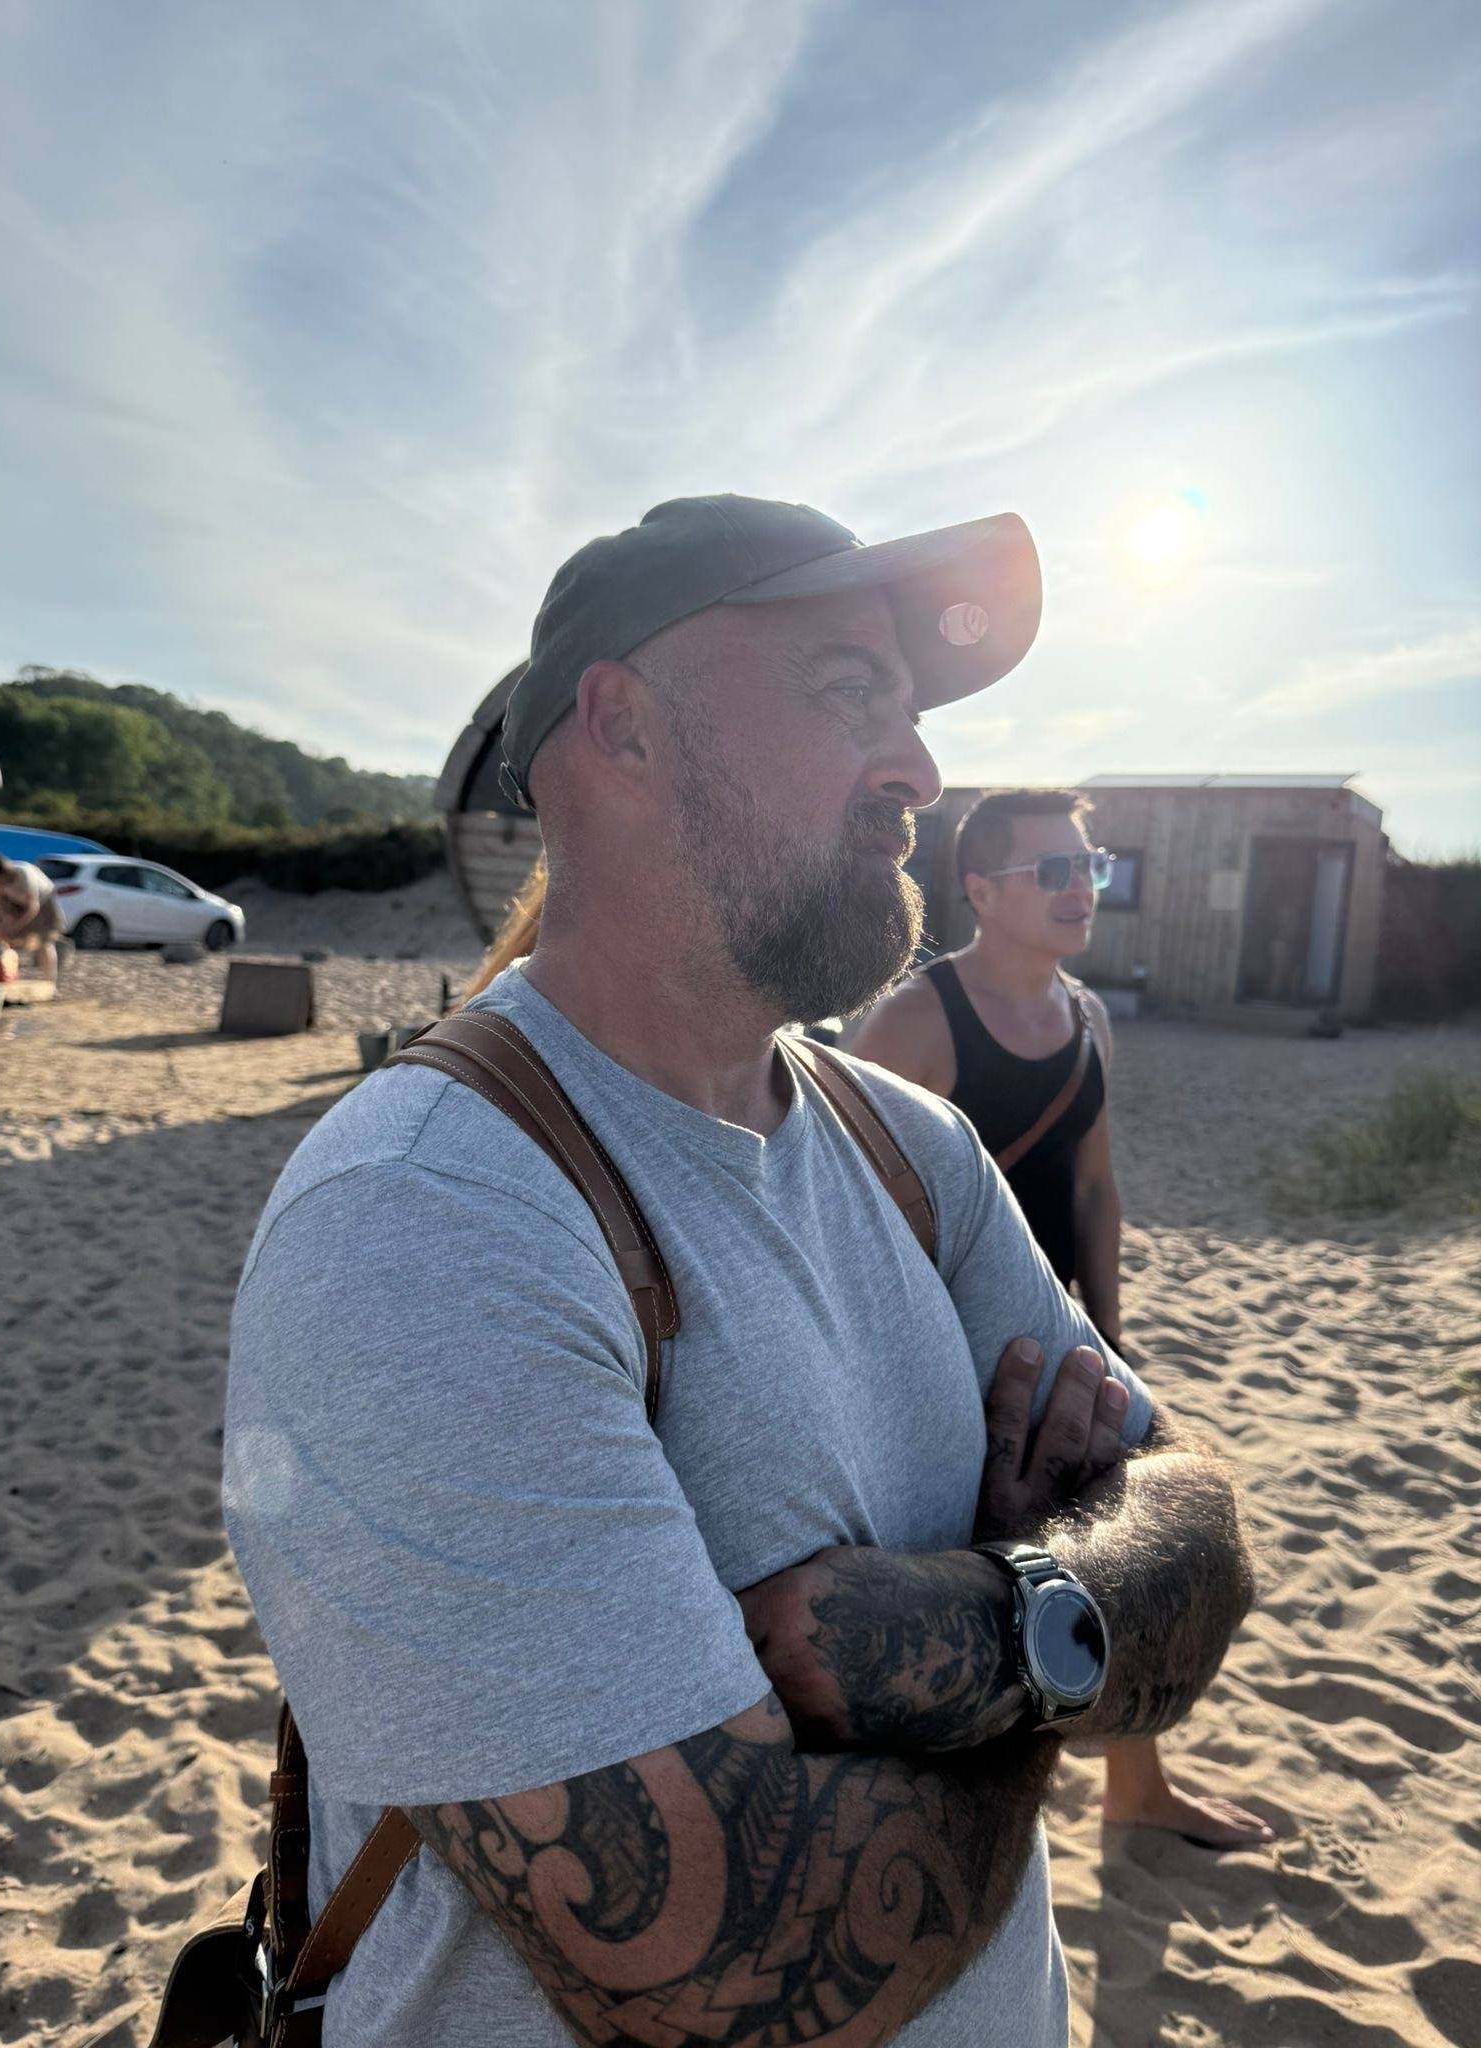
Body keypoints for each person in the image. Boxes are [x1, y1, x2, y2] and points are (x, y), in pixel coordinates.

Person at [224, 494, 1256, 2048]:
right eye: (851, 689)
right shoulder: (428, 1213)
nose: (916, 767)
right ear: (622, 726)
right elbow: (725, 1975)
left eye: (912, 710)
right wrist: (1064, 1663)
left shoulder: (913, 1150)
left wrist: (956, 1636)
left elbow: (1203, 1536)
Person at [852, 790, 1275, 1852]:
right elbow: (851, 1206)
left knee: (1123, 1517)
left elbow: (1093, 1182)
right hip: (942, 1340)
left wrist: (1112, 1334)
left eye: (1090, 864)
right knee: (974, 1557)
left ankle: (1138, 1783)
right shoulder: (914, 1022)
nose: (1081, 886)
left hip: (1063, 1328)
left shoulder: (1088, 1015)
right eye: (1053, 870)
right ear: (982, 890)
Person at [0, 853, 64, 983]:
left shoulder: (24, 873)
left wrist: (14, 928)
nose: (1, 883)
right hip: (17, 903)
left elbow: (33, 908)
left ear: (7, 873)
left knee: (44, 943)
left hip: (43, 902)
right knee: (1, 935)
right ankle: (6, 976)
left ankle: (50, 982)